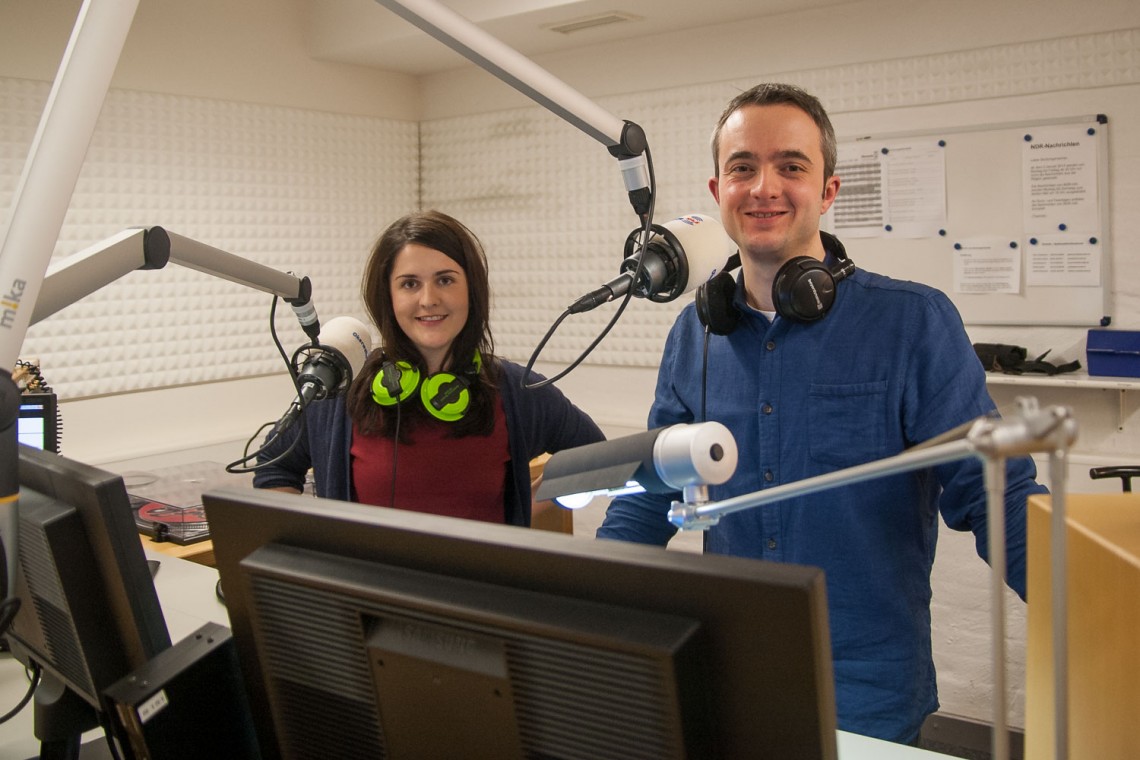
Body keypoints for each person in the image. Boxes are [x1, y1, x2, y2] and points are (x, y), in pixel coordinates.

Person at [596, 83, 1048, 744]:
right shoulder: (695, 336)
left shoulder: (911, 323)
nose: (764, 187)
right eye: (743, 167)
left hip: (867, 694)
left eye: (791, 166)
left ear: (828, 190)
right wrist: (588, 601)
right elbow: (650, 493)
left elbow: (992, 495)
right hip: (731, 674)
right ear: (718, 188)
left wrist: (1092, 610)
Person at [254, 209, 604, 526]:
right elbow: (273, 468)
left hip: (478, 594)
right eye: (409, 284)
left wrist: (519, 510)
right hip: (366, 595)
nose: (428, 299)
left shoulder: (515, 390)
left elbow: (597, 460)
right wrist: (314, 545)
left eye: (445, 280)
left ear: (472, 290)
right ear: (388, 297)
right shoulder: (341, 389)